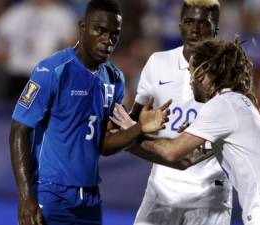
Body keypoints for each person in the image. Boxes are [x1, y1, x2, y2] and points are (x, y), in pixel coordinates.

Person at [116, 38, 260, 225]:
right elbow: (186, 160)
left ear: (208, 73)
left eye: (194, 74)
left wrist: (130, 133)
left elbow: (171, 151)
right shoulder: (236, 103)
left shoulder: (222, 105)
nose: (191, 82)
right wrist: (128, 140)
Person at [9, 1, 170, 225]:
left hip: (90, 199)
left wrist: (138, 128)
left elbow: (103, 145)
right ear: (82, 27)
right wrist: (26, 196)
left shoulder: (114, 79)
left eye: (115, 34)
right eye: (100, 31)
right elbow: (18, 130)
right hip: (51, 194)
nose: (108, 40)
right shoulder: (52, 70)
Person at [127, 0, 232, 224]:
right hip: (161, 192)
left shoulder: (230, 73)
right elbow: (134, 121)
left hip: (209, 197)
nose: (195, 30)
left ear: (216, 29)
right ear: (179, 26)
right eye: (189, 22)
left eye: (204, 23)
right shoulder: (158, 63)